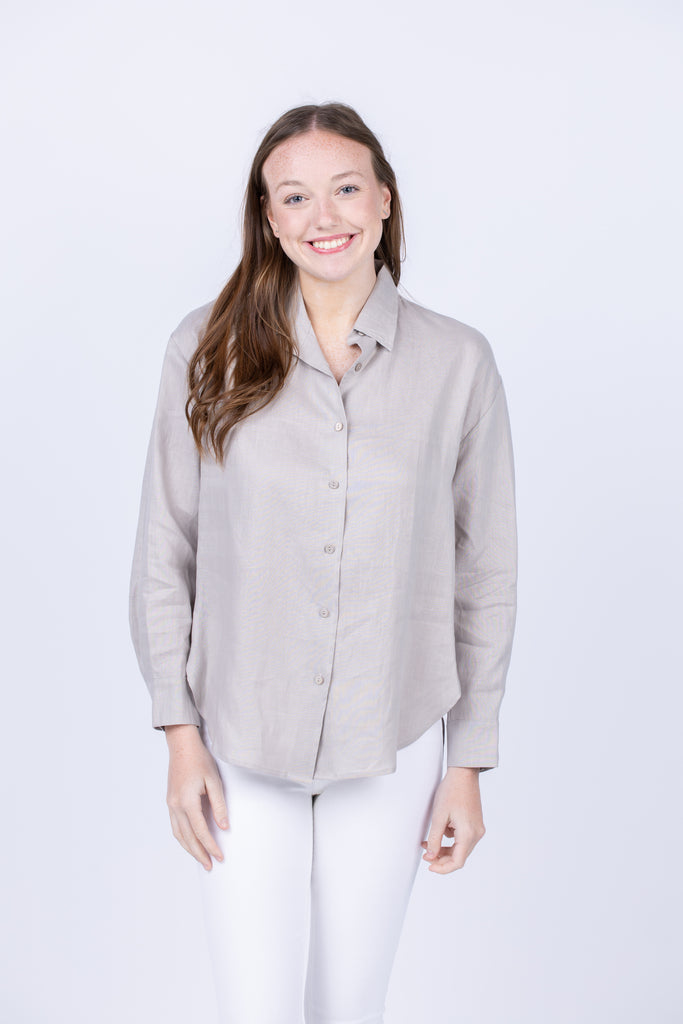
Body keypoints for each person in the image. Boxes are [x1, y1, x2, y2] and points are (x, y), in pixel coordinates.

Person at [129, 101, 518, 1024]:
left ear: (384, 199)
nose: (323, 216)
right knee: (255, 1008)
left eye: (345, 188)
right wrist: (179, 738)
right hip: (238, 739)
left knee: (350, 1008)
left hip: (391, 738)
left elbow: (485, 575)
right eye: (294, 196)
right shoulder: (205, 349)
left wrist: (467, 762)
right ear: (268, 218)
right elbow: (164, 552)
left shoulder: (458, 363)